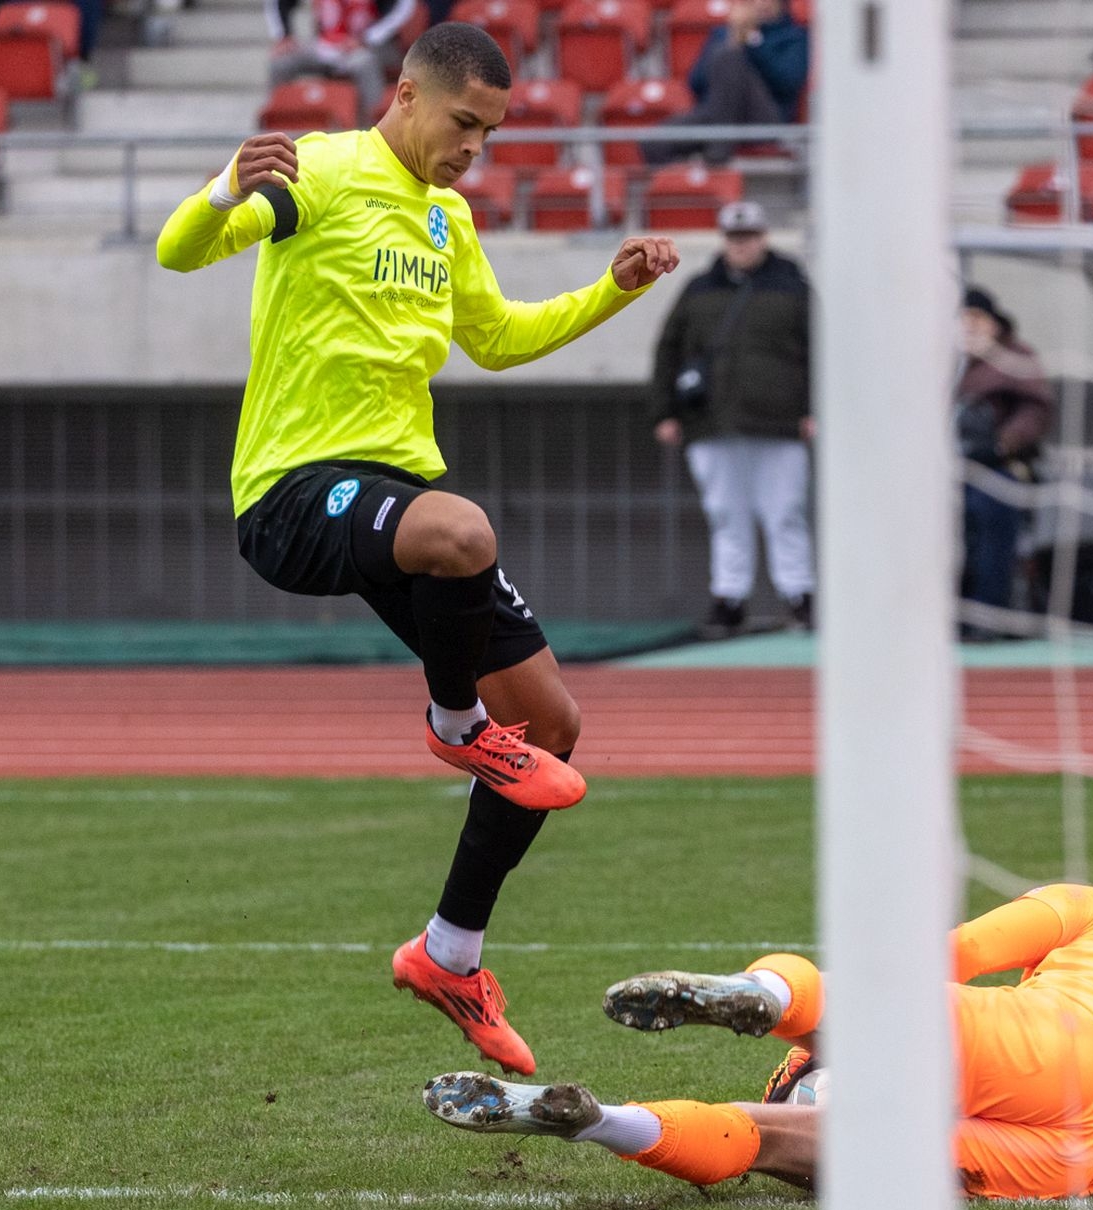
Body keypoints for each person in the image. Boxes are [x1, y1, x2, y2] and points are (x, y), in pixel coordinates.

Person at [156, 22, 679, 1076]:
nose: (473, 148)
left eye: (490, 133)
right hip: (293, 489)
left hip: (398, 499)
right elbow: (180, 251)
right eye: (463, 123)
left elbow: (497, 337)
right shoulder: (319, 170)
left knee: (555, 726)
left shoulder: (447, 216)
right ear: (405, 94)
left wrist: (612, 288)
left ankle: (449, 952)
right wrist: (221, 191)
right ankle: (454, 723)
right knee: (463, 531)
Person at [425, 883, 1093, 1200]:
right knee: (785, 1140)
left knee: (875, 1010)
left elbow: (956, 952)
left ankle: (770, 997)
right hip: (1090, 1148)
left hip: (1056, 1041)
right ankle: (602, 1122)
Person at [650, 200, 813, 637]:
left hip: (779, 422)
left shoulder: (793, 286)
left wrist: (813, 409)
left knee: (785, 512)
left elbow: (821, 349)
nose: (742, 245)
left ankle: (800, 595)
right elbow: (669, 349)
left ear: (764, 238)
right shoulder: (699, 288)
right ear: (724, 240)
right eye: (735, 237)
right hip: (713, 421)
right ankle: (730, 597)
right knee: (725, 515)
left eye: (750, 236)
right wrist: (664, 410)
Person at [956, 287, 1051, 641]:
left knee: (991, 510)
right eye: (963, 319)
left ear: (994, 323)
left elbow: (1035, 410)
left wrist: (1002, 443)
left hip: (997, 466)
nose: (969, 326)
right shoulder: (941, 359)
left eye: (977, 318)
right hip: (944, 469)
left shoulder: (1014, 359)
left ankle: (988, 614)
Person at [641, 0, 809, 165]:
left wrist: (750, 41)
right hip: (717, 113)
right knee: (656, 142)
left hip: (765, 118)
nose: (761, 4)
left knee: (729, 57)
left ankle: (717, 154)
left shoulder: (795, 36)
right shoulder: (723, 33)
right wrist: (734, 39)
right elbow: (695, 83)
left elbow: (788, 81)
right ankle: (692, 178)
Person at [268, 0, 422, 121]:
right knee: (281, 63)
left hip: (366, 45)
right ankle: (276, 128)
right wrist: (284, 35)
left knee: (364, 64)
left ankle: (373, 127)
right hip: (324, 44)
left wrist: (366, 38)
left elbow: (403, 7)